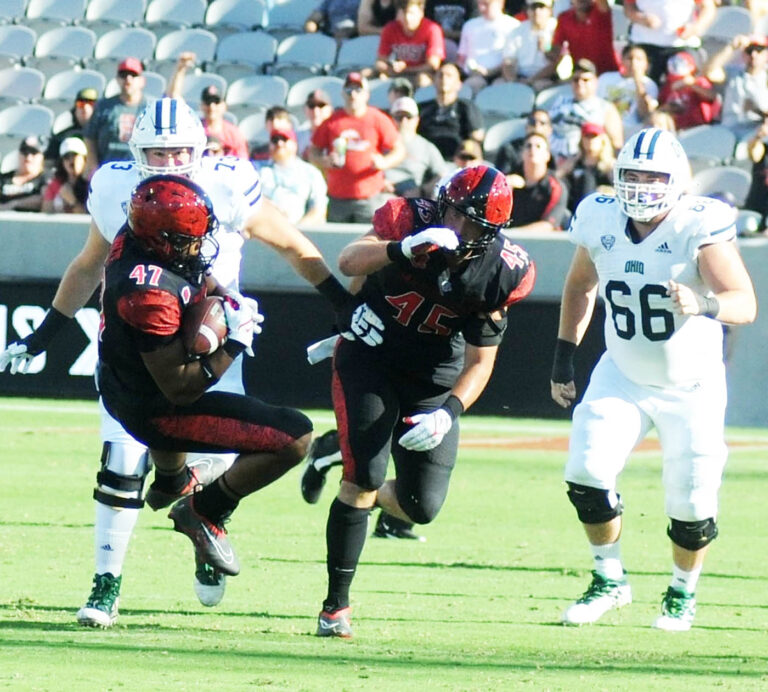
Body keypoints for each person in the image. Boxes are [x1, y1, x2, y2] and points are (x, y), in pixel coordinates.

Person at [0, 97, 355, 628]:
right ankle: (107, 581)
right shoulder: (117, 185)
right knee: (121, 457)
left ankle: (204, 520)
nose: (167, 163)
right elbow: (86, 263)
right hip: (139, 344)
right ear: (136, 152)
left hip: (212, 338)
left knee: (213, 462)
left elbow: (291, 243)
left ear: (201, 150)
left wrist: (341, 303)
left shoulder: (228, 182)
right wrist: (47, 332)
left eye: (178, 152)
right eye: (156, 153)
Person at [314, 165, 536, 638]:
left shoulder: (499, 271)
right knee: (365, 478)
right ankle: (336, 606)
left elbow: (480, 362)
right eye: (452, 213)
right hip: (371, 351)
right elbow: (350, 261)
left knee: (421, 505)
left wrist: (448, 412)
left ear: (491, 231)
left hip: (434, 375)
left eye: (470, 221)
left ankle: (338, 450)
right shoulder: (408, 218)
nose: (456, 227)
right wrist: (400, 248)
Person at [551, 127, 757, 631]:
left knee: (691, 504)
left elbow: (744, 303)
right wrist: (563, 356)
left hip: (693, 386)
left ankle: (682, 592)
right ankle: (610, 579)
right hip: (622, 373)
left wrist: (703, 302)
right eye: (633, 175)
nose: (642, 186)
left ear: (677, 181)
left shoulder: (697, 225)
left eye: (654, 176)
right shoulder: (599, 216)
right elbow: (580, 284)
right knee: (586, 471)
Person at [96, 173, 316, 604]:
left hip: (122, 381)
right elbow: (180, 389)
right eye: (184, 240)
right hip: (155, 406)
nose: (196, 247)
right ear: (158, 240)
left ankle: (172, 480)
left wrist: (221, 295)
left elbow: (190, 273)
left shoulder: (135, 236)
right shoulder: (148, 296)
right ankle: (203, 510)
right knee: (295, 437)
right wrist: (234, 340)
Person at [308, 72, 405, 223]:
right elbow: (313, 151)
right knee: (337, 244)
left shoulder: (378, 119)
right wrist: (323, 160)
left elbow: (399, 150)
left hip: (370, 198)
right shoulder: (332, 121)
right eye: (349, 90)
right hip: (337, 198)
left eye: (358, 90)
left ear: (366, 94)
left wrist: (384, 162)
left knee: (369, 244)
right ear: (342, 94)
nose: (353, 94)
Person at [166, 52, 249, 159]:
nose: (212, 107)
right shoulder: (194, 129)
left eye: (216, 102)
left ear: (224, 106)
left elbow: (243, 164)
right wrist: (180, 69)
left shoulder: (234, 134)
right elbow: (174, 99)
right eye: (208, 102)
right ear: (201, 106)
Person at [548, 58, 624, 164]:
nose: (580, 83)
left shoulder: (605, 108)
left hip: (583, 164)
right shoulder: (560, 101)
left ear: (595, 82)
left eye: (585, 80)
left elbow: (617, 144)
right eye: (576, 79)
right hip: (551, 159)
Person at [623, 0, 716, 85]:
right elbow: (628, 7)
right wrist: (641, 18)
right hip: (644, 45)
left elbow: (708, 8)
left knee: (681, 88)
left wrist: (695, 28)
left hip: (682, 46)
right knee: (644, 86)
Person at [84, 57, 147, 174]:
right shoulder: (104, 106)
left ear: (142, 80)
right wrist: (93, 167)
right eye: (123, 75)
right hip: (108, 172)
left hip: (140, 173)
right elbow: (90, 137)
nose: (128, 79)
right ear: (117, 79)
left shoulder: (150, 107)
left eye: (133, 75)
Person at [259, 125, 329, 225]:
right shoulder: (259, 172)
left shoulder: (310, 173)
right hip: (266, 231)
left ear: (295, 145)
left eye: (284, 139)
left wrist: (297, 230)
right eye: (275, 140)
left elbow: (319, 209)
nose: (279, 143)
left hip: (301, 231)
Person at [704, 34, 768, 141]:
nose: (754, 55)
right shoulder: (732, 73)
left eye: (759, 50)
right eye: (749, 51)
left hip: (756, 133)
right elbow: (709, 72)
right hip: (728, 131)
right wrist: (731, 48)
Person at [417, 62, 485, 160]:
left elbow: (477, 138)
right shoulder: (422, 108)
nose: (444, 79)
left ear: (459, 85)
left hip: (456, 160)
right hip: (425, 159)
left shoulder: (466, 107)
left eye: (449, 76)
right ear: (434, 81)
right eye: (440, 75)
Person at [384, 96, 448, 197]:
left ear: (416, 120)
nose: (404, 121)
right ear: (391, 119)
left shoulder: (426, 147)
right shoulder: (378, 142)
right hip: (381, 194)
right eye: (399, 117)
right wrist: (377, 184)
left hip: (411, 197)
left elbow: (443, 174)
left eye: (408, 117)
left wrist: (422, 190)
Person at [374, 0, 445, 89]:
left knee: (423, 80)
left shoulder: (432, 30)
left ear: (421, 13)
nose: (407, 18)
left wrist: (406, 69)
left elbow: (433, 65)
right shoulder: (389, 29)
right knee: (380, 77)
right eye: (403, 13)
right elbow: (380, 61)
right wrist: (390, 67)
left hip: (421, 73)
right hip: (396, 73)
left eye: (411, 13)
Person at [506, 132, 569, 231]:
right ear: (522, 154)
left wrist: (515, 233)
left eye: (538, 146)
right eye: (528, 146)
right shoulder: (508, 182)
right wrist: (506, 187)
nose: (532, 149)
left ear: (547, 155)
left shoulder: (555, 187)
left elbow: (548, 225)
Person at [543, 0, 619, 81]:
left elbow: (603, 4)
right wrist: (546, 47)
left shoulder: (600, 12)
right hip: (581, 78)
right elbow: (555, 50)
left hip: (608, 75)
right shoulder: (564, 19)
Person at [597, 44, 659, 140]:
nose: (633, 63)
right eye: (629, 58)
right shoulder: (605, 78)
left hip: (632, 129)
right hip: (604, 126)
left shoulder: (650, 85)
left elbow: (645, 113)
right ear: (622, 60)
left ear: (646, 64)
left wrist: (638, 82)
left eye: (639, 59)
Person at [457, 0, 520, 94]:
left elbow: (515, 58)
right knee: (470, 87)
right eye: (480, 4)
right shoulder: (469, 25)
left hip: (502, 75)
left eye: (487, 4)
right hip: (474, 76)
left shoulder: (513, 25)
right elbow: (461, 58)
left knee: (500, 89)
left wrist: (490, 72)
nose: (482, 8)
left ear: (500, 3)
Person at [500, 0, 557, 92]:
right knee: (499, 86)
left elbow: (557, 62)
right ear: (527, 10)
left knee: (540, 87)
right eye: (533, 7)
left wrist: (546, 49)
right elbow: (508, 61)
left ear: (550, 10)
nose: (537, 11)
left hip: (546, 79)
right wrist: (512, 81)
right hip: (519, 77)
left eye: (541, 7)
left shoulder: (557, 29)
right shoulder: (517, 31)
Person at [559, 122, 614, 214]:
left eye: (594, 137)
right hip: (575, 207)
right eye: (587, 137)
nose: (590, 140)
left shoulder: (609, 166)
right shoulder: (574, 163)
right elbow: (557, 177)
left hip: (601, 209)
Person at [657, 51, 720, 132]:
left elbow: (712, 96)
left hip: (698, 128)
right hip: (676, 129)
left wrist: (692, 85)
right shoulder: (668, 85)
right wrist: (668, 107)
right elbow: (660, 106)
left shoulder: (699, 82)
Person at [45, 87, 98, 164]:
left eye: (91, 104)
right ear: (75, 109)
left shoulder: (105, 137)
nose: (85, 108)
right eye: (81, 104)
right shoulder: (62, 137)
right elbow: (49, 162)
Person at [494, 108, 554, 177]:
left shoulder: (554, 154)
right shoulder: (509, 150)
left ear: (550, 130)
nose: (537, 126)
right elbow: (500, 178)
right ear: (526, 127)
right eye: (532, 122)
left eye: (542, 123)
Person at [42, 137, 89, 214]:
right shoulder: (56, 184)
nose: (71, 161)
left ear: (84, 158)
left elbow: (89, 219)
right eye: (66, 157)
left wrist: (73, 201)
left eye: (74, 156)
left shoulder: (91, 184)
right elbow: (45, 213)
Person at [0, 136, 47, 212]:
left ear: (42, 156)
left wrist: (14, 204)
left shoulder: (45, 179)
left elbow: (44, 199)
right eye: (25, 152)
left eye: (33, 153)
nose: (28, 157)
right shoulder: (3, 178)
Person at [296, 89, 334, 159]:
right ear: (305, 109)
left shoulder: (338, 135)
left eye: (321, 105)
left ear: (330, 109)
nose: (316, 111)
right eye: (311, 106)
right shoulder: (297, 137)